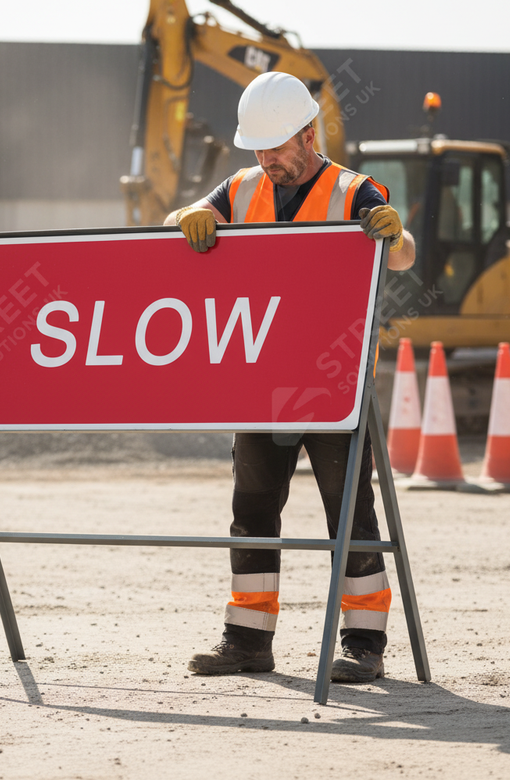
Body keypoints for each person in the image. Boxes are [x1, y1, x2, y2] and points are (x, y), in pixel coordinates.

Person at [164, 71, 415, 683]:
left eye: (278, 147)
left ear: (309, 134)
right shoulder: (241, 186)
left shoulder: (354, 190)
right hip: (262, 383)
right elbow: (182, 216)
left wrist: (394, 233)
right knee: (251, 510)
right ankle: (247, 641)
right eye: (258, 148)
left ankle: (364, 645)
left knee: (349, 516)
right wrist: (189, 216)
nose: (268, 159)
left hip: (334, 386)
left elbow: (403, 250)